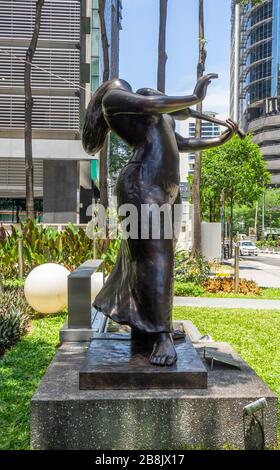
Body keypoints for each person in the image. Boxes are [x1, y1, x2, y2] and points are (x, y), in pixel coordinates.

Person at [83, 74, 240, 366]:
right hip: (141, 185)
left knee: (146, 260)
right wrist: (194, 97)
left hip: (164, 190)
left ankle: (144, 328)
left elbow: (180, 142)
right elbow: (152, 103)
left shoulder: (156, 117)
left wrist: (220, 139)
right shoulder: (115, 97)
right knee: (157, 260)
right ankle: (161, 336)